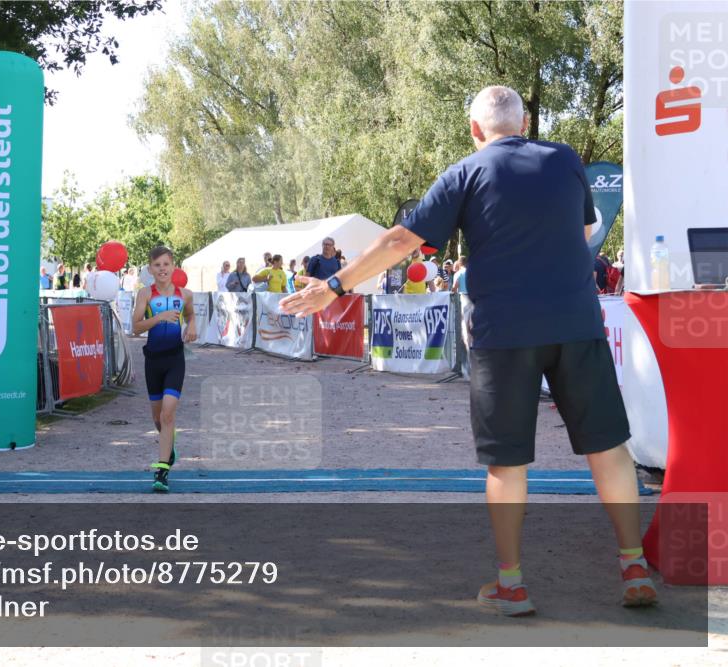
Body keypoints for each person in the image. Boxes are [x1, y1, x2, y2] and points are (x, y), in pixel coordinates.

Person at [279, 84, 654, 615]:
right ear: (523, 123)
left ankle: (512, 584)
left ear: (476, 130)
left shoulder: (466, 172)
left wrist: (333, 286)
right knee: (608, 448)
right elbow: (588, 225)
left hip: (504, 333)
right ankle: (634, 564)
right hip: (578, 323)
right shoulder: (567, 159)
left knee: (506, 464)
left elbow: (398, 243)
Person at [131, 246, 197, 494]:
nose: (162, 269)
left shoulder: (186, 295)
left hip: (175, 359)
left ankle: (162, 471)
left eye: (166, 264)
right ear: (150, 269)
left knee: (168, 415)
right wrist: (159, 318)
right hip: (153, 361)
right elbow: (135, 328)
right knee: (158, 419)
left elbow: (191, 315)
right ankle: (170, 444)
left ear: (173, 267)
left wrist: (192, 325)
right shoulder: (145, 294)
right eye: (157, 265)